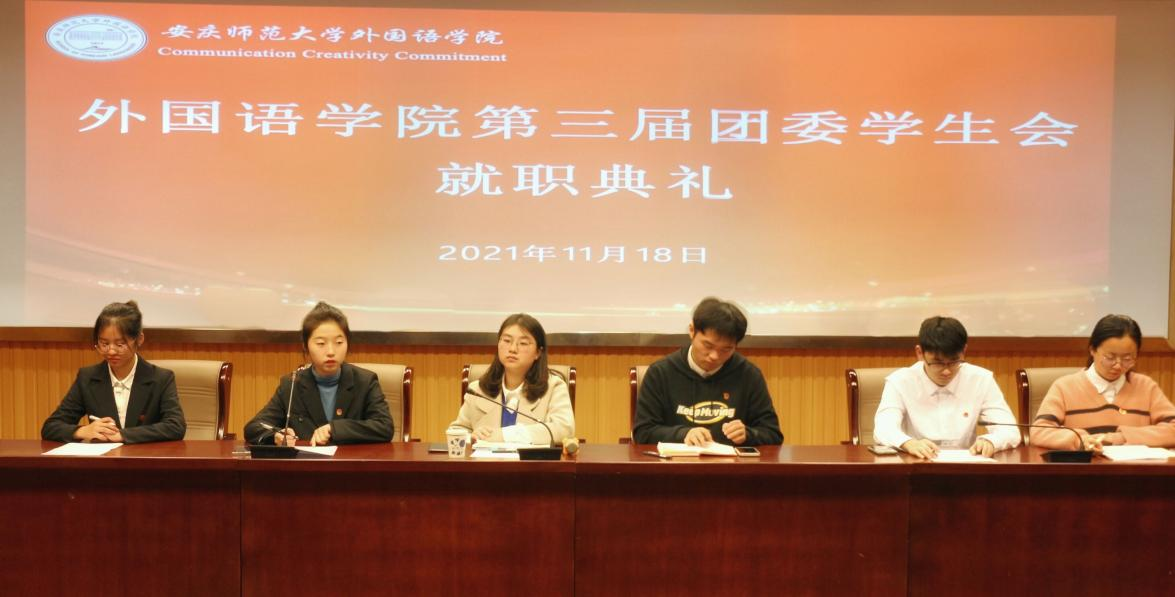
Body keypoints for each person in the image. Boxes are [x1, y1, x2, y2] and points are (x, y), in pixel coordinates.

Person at [632, 297, 783, 446]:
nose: (714, 356)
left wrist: (748, 434)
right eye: (708, 346)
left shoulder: (749, 375)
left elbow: (772, 434)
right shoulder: (660, 373)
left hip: (730, 461)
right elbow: (643, 432)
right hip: (677, 461)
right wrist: (683, 434)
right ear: (692, 331)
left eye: (726, 349)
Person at [244, 302, 393, 445]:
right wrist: (275, 436)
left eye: (339, 342)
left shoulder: (365, 381)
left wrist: (334, 429)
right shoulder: (292, 385)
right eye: (321, 343)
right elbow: (254, 427)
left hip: (351, 461)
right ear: (306, 346)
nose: (331, 351)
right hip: (307, 462)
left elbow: (384, 427)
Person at [873, 316, 1020, 459]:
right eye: (937, 363)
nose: (946, 371)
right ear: (920, 353)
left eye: (954, 362)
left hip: (966, 466)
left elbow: (1010, 430)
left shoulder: (981, 380)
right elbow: (883, 429)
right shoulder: (900, 381)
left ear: (964, 351)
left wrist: (992, 441)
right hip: (917, 465)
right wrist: (908, 443)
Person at [41, 301, 186, 443]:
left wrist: (123, 435)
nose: (111, 351)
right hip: (104, 458)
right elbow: (51, 427)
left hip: (145, 457)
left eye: (120, 344)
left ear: (139, 339)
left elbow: (175, 426)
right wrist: (82, 431)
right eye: (104, 344)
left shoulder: (161, 378)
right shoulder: (88, 377)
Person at [1031, 314, 1175, 450]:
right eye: (1110, 357)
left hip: (1133, 467)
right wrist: (1079, 440)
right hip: (1083, 467)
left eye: (1127, 359)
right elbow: (1039, 431)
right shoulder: (1065, 387)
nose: (1118, 365)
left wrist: (1121, 438)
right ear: (1092, 350)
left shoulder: (1145, 387)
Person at [450, 313, 574, 445]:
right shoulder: (477, 390)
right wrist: (472, 437)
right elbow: (456, 431)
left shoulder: (554, 387)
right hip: (484, 459)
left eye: (523, 343)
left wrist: (505, 435)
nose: (513, 349)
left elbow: (564, 430)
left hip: (532, 459)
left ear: (538, 352)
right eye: (507, 341)